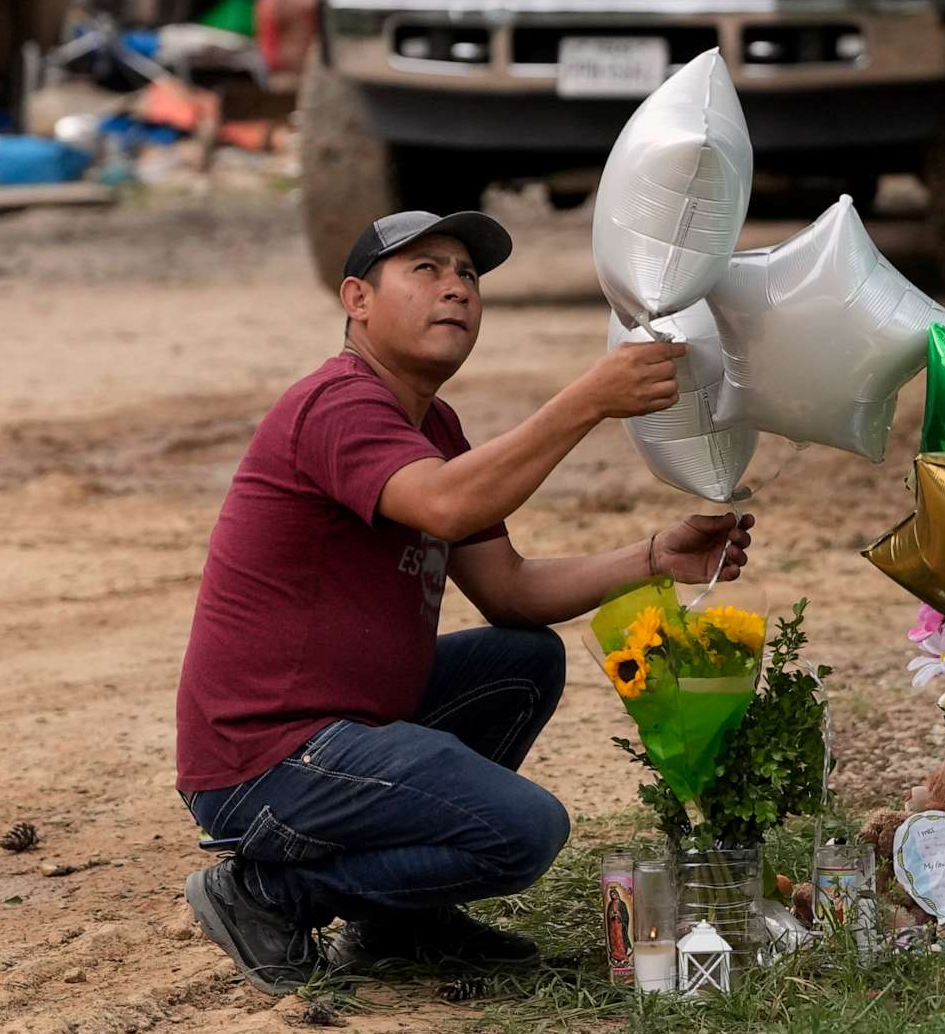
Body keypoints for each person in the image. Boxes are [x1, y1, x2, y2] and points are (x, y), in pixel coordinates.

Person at [174, 209, 754, 993]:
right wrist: (586, 400)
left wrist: (656, 557)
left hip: (345, 733)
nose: (456, 289)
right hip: (268, 760)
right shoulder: (338, 404)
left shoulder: (434, 424)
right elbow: (446, 507)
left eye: (469, 276)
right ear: (357, 300)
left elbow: (511, 591)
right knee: (524, 831)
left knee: (521, 659)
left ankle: (400, 922)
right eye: (427, 270)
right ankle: (268, 894)